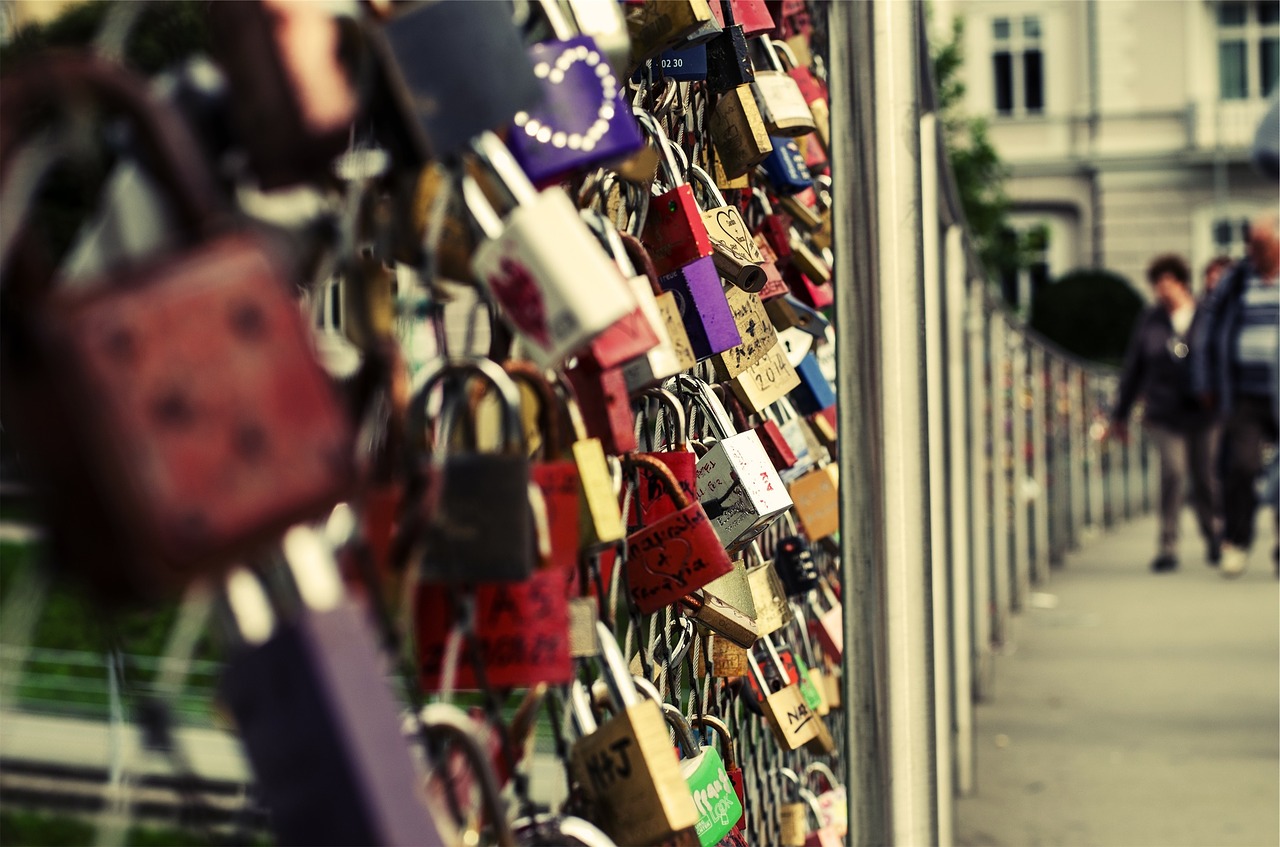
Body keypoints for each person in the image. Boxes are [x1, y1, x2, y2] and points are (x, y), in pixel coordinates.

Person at [1106, 254, 1221, 572]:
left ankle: (1214, 534)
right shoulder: (1150, 319)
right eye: (1156, 284)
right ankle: (1167, 545)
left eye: (1166, 283)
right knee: (1173, 472)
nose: (1160, 290)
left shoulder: (1206, 315)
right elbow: (1134, 369)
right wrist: (1120, 414)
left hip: (1204, 411)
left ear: (1181, 283)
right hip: (1163, 411)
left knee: (1205, 478)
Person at [1190, 214, 1280, 577]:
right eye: (1250, 244)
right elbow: (1207, 328)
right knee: (1241, 466)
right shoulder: (1238, 278)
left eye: (1259, 245)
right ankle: (1237, 542)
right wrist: (1205, 381)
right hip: (1244, 392)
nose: (1251, 252)